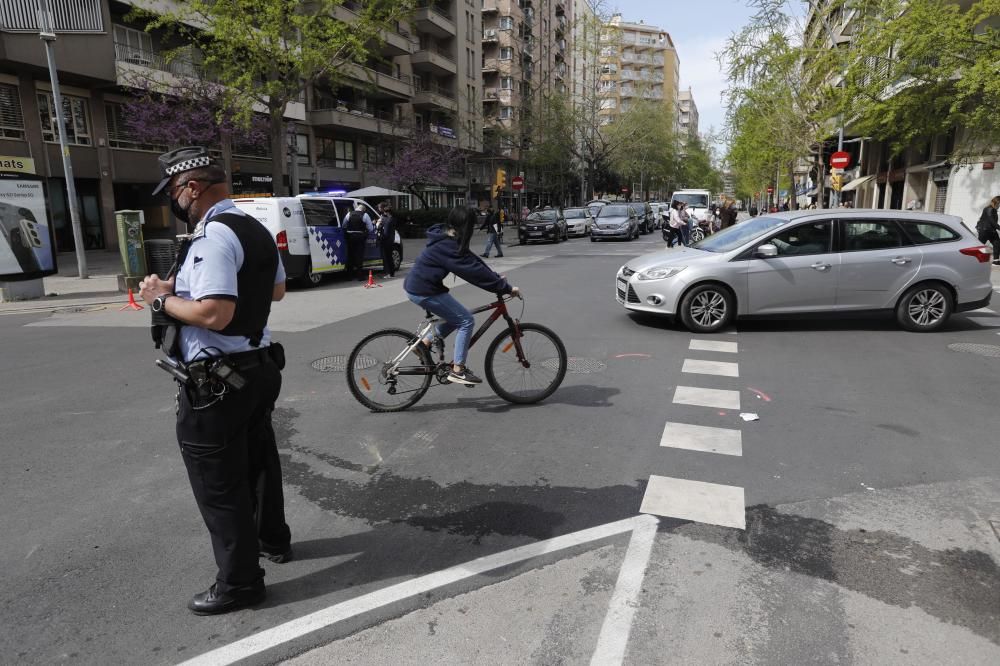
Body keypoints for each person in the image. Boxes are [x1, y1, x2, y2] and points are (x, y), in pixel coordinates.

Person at [138, 146, 290, 615]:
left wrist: (160, 301)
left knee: (219, 483)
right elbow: (277, 289)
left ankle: (241, 584)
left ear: (193, 188)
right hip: (258, 369)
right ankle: (272, 541)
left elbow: (213, 313)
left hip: (219, 384)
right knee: (258, 459)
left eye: (177, 193)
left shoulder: (213, 236)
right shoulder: (254, 227)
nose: (176, 202)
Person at [404, 207, 521, 385]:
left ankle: (424, 344)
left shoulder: (447, 237)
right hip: (424, 290)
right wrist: (505, 288)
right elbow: (472, 272)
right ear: (465, 226)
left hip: (422, 287)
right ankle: (458, 369)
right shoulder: (448, 245)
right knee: (466, 320)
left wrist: (496, 279)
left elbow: (473, 262)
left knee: (456, 317)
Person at [345, 202, 372, 281]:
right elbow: (370, 228)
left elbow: (344, 225)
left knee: (350, 256)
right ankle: (360, 276)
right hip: (360, 237)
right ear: (363, 209)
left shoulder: (349, 214)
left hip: (350, 237)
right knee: (359, 256)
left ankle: (349, 276)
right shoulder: (365, 215)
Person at [976, 196, 1000, 265]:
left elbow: (993, 222)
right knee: (979, 246)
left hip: (991, 230)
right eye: (999, 204)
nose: (999, 206)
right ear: (996, 203)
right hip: (985, 231)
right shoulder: (989, 209)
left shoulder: (993, 210)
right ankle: (973, 259)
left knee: (997, 244)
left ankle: (996, 261)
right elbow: (992, 221)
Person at [376, 202, 397, 278]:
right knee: (389, 257)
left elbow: (386, 233)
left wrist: (378, 225)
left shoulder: (387, 220)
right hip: (391, 239)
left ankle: (388, 273)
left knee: (386, 257)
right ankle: (392, 273)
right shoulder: (392, 219)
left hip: (386, 241)